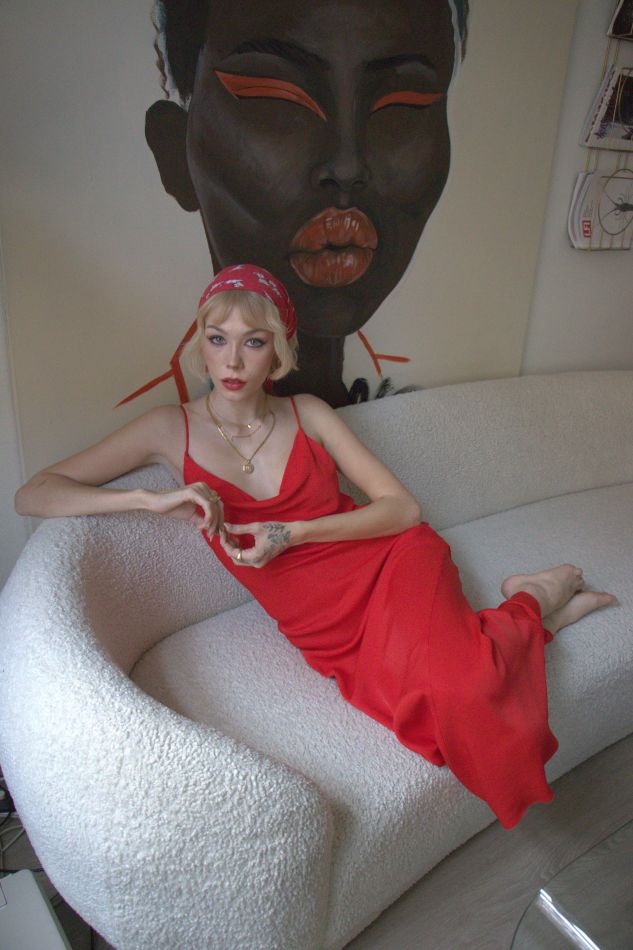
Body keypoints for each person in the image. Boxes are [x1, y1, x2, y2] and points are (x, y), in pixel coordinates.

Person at [15, 264, 618, 829]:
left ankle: (531, 604)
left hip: (391, 561)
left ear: (277, 351)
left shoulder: (307, 413)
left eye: (253, 341)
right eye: (217, 339)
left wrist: (294, 532)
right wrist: (147, 500)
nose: (232, 360)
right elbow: (34, 493)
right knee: (436, 721)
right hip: (322, 623)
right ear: (201, 344)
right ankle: (530, 619)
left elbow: (402, 510)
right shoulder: (166, 429)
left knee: (462, 696)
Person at [142, 0, 469, 406]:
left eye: (404, 105)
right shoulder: (178, 423)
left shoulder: (399, 405)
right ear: (175, 152)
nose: (347, 166)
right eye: (274, 97)